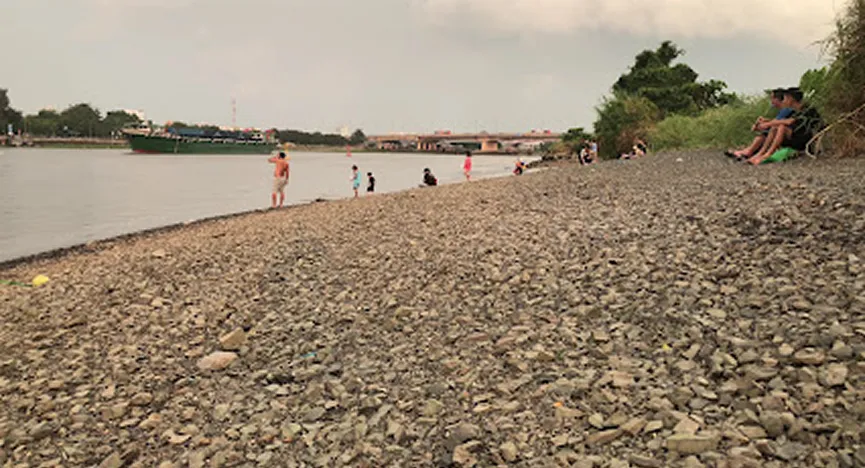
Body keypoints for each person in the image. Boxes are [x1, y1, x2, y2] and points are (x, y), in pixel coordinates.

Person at [747, 87, 823, 165]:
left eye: (785, 98)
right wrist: (767, 122)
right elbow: (787, 121)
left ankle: (768, 154)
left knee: (781, 127)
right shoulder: (796, 110)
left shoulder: (807, 109)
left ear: (791, 99)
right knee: (774, 128)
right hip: (795, 136)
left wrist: (767, 124)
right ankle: (761, 153)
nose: (784, 101)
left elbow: (789, 121)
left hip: (805, 141)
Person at [726, 88, 794, 160]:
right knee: (763, 134)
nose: (771, 101)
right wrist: (765, 121)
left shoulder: (786, 110)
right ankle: (746, 151)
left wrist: (761, 125)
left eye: (772, 98)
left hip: (782, 134)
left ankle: (748, 152)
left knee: (763, 135)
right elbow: (777, 121)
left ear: (778, 99)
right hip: (778, 131)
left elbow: (776, 123)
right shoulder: (784, 110)